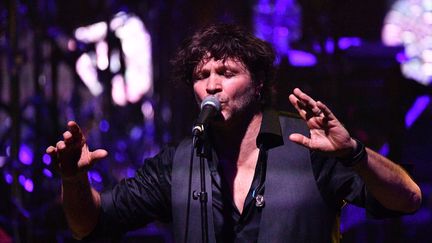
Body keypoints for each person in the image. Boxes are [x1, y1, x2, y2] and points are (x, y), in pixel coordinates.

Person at [46, 23, 422, 242]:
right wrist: (74, 178)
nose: (211, 85)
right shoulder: (177, 162)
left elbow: (408, 200)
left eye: (226, 73)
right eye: (201, 76)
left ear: (258, 84)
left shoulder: (309, 146)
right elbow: (88, 225)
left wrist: (354, 153)